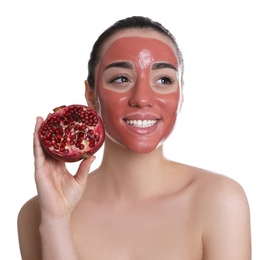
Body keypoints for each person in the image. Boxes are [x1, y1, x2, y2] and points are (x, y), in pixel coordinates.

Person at [17, 16, 251, 259]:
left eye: (163, 80)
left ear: (180, 95)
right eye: (121, 79)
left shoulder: (220, 200)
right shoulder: (37, 212)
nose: (142, 98)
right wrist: (56, 219)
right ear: (90, 94)